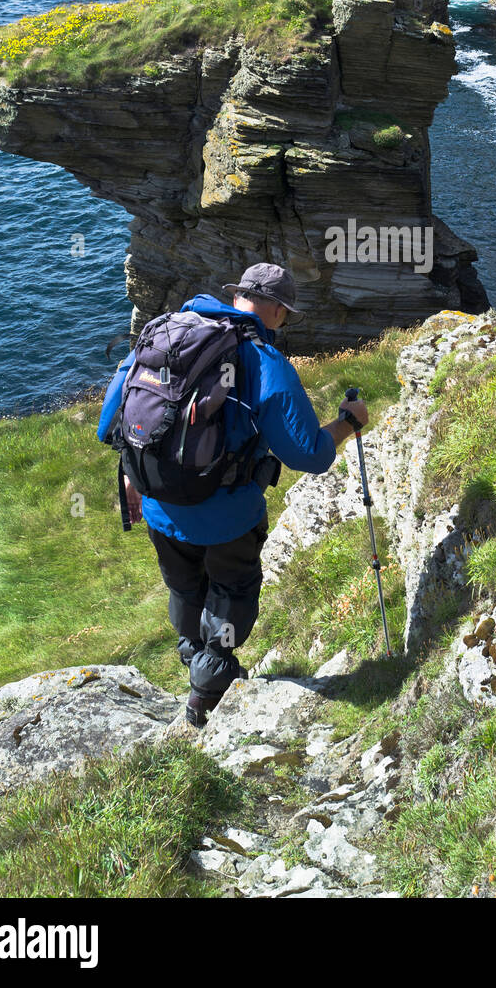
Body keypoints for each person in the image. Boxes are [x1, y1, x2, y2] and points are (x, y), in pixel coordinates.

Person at [97, 262, 368, 726]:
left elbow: (110, 423)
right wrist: (348, 422)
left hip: (161, 508)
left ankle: (193, 658)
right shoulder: (265, 363)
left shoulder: (166, 334)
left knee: (184, 587)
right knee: (230, 596)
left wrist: (133, 474)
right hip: (228, 520)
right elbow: (310, 454)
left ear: (236, 295)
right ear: (279, 312)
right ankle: (206, 696)